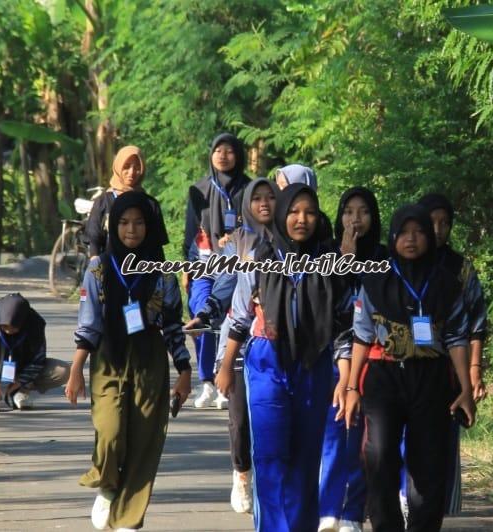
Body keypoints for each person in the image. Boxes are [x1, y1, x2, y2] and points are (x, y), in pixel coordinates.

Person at [217, 182, 346, 532]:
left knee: (305, 460)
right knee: (271, 457)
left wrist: (347, 380)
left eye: (309, 212)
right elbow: (240, 315)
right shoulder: (260, 257)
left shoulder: (330, 264)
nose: (301, 219)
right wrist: (226, 366)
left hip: (313, 365)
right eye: (293, 211)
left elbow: (345, 325)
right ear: (281, 215)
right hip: (265, 364)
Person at [343, 204, 476, 532]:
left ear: (430, 237)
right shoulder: (376, 279)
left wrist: (466, 389)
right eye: (403, 232)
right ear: (393, 236)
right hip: (384, 378)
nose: (411, 239)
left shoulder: (447, 282)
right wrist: (351, 388)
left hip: (431, 380)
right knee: (380, 454)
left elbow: (458, 337)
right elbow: (361, 334)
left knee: (428, 464)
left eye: (419, 232)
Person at [66, 191, 192, 531]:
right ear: (112, 226)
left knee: (144, 443)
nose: (131, 229)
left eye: (139, 222)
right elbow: (88, 322)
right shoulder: (98, 268)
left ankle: (128, 520)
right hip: (108, 355)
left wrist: (184, 370)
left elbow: (172, 326)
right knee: (110, 431)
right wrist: (76, 368)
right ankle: (107, 482)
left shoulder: (163, 274)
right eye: (123, 222)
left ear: (150, 227)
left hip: (150, 358)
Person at [185, 178, 278, 514]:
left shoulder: (292, 242)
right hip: (239, 342)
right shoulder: (236, 242)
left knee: (272, 417)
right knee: (239, 418)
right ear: (247, 205)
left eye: (271, 197)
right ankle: (242, 473)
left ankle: (272, 481)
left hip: (280, 346)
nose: (265, 203)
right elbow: (223, 283)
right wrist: (206, 312)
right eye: (258, 198)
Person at [416, 192, 489, 515]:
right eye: (432, 222)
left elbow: (476, 322)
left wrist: (474, 371)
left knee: (442, 440)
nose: (439, 229)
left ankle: (436, 506)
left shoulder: (461, 269)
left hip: (449, 367)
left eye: (445, 223)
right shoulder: (403, 262)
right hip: (408, 366)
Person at [319, 187, 385, 532]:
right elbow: (325, 306)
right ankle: (328, 508)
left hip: (371, 357)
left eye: (362, 212)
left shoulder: (383, 257)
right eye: (348, 211)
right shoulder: (326, 254)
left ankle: (352, 513)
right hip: (331, 355)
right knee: (333, 433)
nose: (354, 219)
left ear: (373, 217)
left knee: (362, 436)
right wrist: (344, 258)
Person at [183, 133, 251, 408]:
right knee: (200, 316)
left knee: (226, 316)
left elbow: (257, 224)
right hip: (203, 260)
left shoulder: (249, 188)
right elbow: (190, 233)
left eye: (229, 150)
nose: (223, 155)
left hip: (235, 262)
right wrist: (186, 268)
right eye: (218, 150)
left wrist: (235, 238)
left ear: (239, 155)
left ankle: (226, 379)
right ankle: (207, 381)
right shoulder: (198, 189)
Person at [84, 146, 168, 259]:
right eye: (126, 167)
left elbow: (157, 246)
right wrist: (96, 270)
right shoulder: (103, 201)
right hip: (111, 269)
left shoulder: (150, 204)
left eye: (137, 167)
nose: (132, 172)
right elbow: (94, 240)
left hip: (142, 271)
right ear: (118, 167)